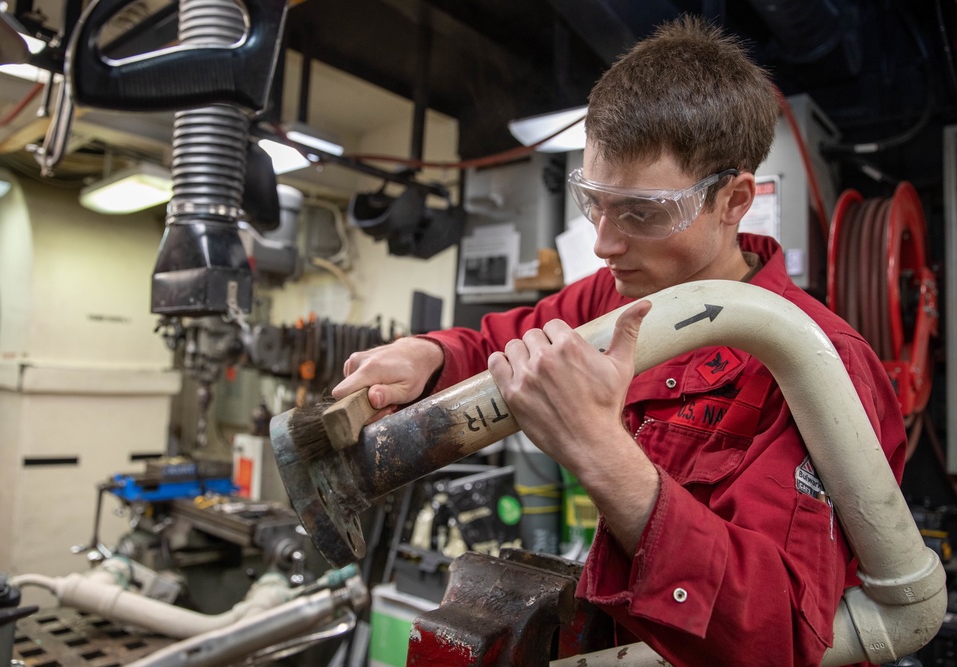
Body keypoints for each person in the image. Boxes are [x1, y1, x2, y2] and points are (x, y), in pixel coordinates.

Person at [332, 15, 906, 667]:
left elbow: (781, 638)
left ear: (733, 200)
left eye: (641, 212)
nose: (604, 242)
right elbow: (503, 341)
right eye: (593, 202)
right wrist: (431, 356)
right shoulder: (614, 296)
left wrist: (601, 453)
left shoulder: (819, 367)